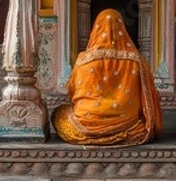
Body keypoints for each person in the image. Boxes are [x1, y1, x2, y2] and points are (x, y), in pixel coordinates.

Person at [51, 8, 162, 146]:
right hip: (129, 124)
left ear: (95, 29)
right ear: (122, 28)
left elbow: (72, 91)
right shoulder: (138, 61)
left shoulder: (84, 60)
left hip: (87, 124)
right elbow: (148, 98)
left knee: (58, 114)